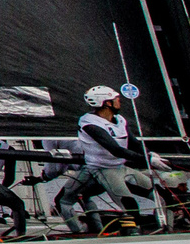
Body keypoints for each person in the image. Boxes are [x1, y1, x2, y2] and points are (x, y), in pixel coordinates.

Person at [63, 85, 157, 235]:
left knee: (162, 196)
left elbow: (134, 143)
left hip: (122, 168)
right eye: (116, 99)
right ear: (106, 103)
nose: (119, 101)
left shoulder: (119, 120)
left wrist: (151, 155)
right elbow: (115, 150)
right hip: (101, 170)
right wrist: (148, 161)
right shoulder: (89, 123)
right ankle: (81, 232)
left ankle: (165, 228)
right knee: (129, 206)